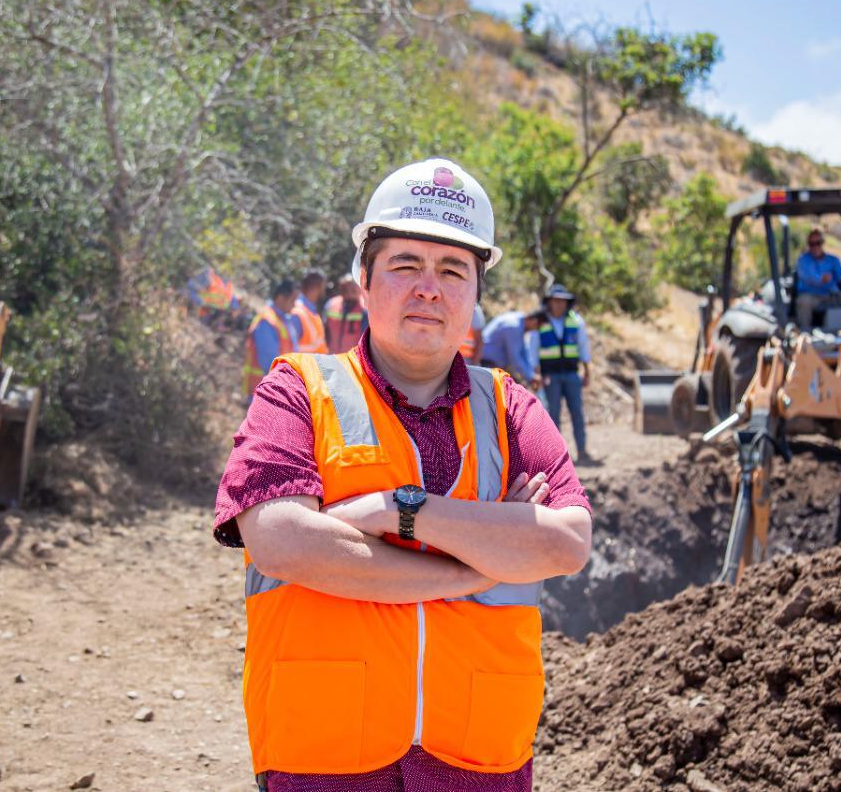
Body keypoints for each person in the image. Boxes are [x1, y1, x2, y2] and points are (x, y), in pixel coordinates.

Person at [215, 158, 592, 792]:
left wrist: (401, 509)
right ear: (364, 280)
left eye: (452, 270)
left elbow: (566, 543)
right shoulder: (298, 392)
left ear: (474, 295)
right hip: (325, 758)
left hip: (479, 758)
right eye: (405, 265)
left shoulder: (511, 408)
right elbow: (280, 540)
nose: (429, 287)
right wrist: (478, 563)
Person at [532, 284, 594, 465]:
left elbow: (583, 347)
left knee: (577, 412)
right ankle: (556, 457)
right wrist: (536, 374)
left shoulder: (576, 321)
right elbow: (533, 349)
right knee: (553, 415)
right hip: (550, 375)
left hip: (571, 374)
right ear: (549, 302)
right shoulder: (540, 321)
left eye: (562, 301)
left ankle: (582, 451)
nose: (559, 305)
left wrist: (587, 371)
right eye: (555, 301)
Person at [795, 228, 841, 329]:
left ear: (822, 243)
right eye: (812, 244)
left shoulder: (833, 260)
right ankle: (804, 334)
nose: (815, 246)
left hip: (832, 295)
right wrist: (820, 279)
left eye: (818, 243)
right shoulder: (803, 260)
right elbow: (807, 277)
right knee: (803, 302)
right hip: (812, 296)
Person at [242, 280, 301, 398]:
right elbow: (269, 362)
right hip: (263, 393)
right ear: (280, 298)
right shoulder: (267, 321)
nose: (295, 305)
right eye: (293, 300)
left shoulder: (283, 320)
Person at [480, 309, 541, 385]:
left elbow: (522, 352)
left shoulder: (518, 322)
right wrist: (530, 377)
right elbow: (514, 356)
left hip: (492, 364)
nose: (535, 330)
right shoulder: (514, 326)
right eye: (537, 327)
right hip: (486, 363)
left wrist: (531, 374)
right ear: (534, 321)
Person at [323, 274, 367, 353]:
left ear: (359, 288)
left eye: (353, 289)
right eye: (345, 289)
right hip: (333, 356)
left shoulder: (365, 308)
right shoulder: (331, 305)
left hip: (354, 358)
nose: (349, 292)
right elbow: (324, 332)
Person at [292, 270, 328, 354]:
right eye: (323, 287)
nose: (324, 290)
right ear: (317, 287)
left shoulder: (311, 311)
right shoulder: (297, 312)